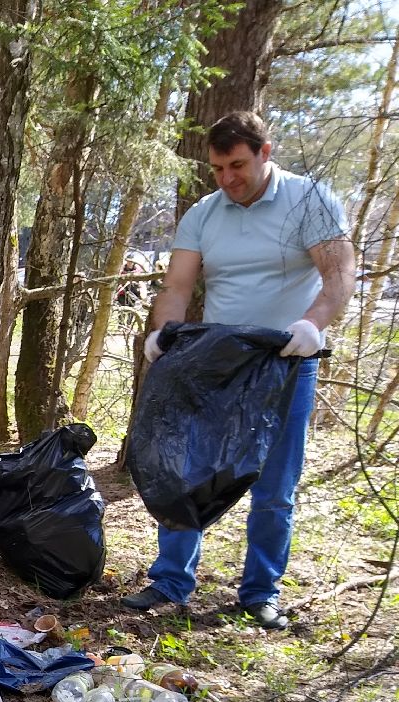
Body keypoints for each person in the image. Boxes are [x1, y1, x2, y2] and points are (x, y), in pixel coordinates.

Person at [124, 112, 356, 630]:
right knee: (188, 469)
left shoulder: (310, 199)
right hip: (216, 365)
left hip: (285, 361)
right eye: (217, 168)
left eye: (238, 165)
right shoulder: (205, 214)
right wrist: (164, 332)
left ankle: (259, 592)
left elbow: (339, 273)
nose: (228, 179)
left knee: (275, 486)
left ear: (265, 153)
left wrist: (313, 325)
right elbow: (178, 286)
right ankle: (170, 581)